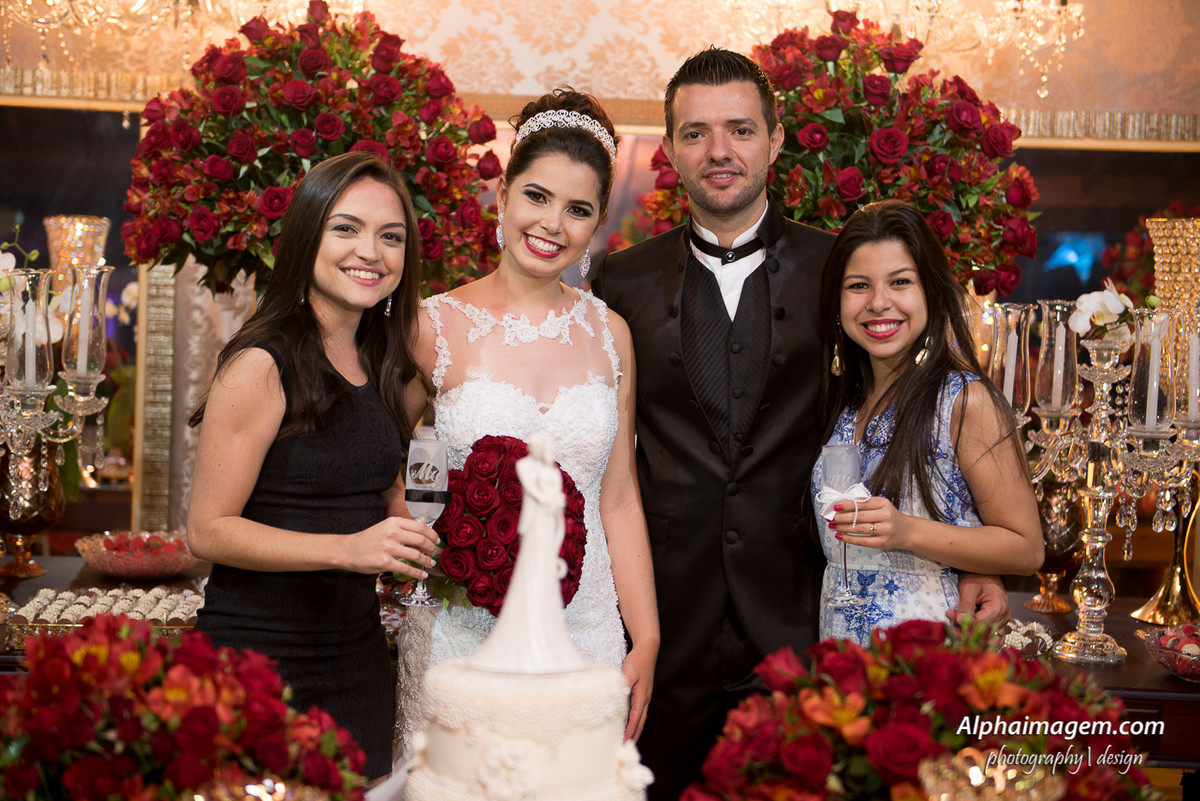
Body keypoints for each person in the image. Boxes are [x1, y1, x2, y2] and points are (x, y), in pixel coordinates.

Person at [591, 47, 1012, 801]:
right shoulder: (618, 282)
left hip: (803, 618)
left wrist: (972, 555)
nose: (720, 151)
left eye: (740, 130)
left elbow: (901, 411)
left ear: (776, 140)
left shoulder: (841, 271)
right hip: (660, 626)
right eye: (696, 134)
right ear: (671, 152)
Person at [395, 88, 659, 751]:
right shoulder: (432, 327)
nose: (551, 224)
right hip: (465, 629)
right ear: (505, 193)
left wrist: (646, 635)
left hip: (587, 629)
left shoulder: (611, 334)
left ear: (598, 222)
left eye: (578, 209)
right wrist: (429, 545)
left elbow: (619, 498)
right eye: (537, 196)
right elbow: (378, 468)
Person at [186, 151, 439, 782]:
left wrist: (409, 523)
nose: (371, 252)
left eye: (391, 236)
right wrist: (349, 550)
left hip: (356, 661)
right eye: (347, 228)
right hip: (257, 663)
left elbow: (377, 482)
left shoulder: (380, 358)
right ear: (308, 235)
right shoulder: (262, 363)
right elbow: (207, 530)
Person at [814, 199, 1043, 644]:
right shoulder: (842, 402)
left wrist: (907, 531)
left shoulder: (963, 401)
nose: (879, 303)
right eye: (858, 286)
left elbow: (1026, 547)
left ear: (930, 293)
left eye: (900, 282)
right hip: (842, 661)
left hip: (930, 663)